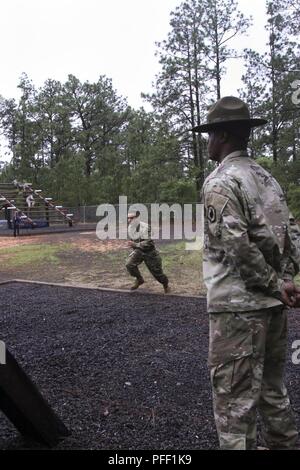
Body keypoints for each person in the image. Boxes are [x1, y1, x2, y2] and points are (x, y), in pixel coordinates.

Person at [193, 96, 300, 450]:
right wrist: (286, 282)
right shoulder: (266, 178)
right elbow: (291, 235)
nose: (207, 142)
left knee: (234, 407)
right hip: (272, 307)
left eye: (210, 134)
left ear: (221, 135)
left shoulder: (221, 182)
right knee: (272, 391)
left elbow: (236, 247)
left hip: (238, 312)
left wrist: (273, 284)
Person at [126, 211, 170, 293]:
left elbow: (148, 242)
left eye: (131, 218)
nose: (129, 220)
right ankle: (139, 279)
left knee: (158, 274)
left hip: (150, 252)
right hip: (139, 251)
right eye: (128, 218)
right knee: (129, 264)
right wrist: (133, 246)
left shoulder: (145, 227)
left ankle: (166, 285)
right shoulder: (130, 227)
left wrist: (135, 244)